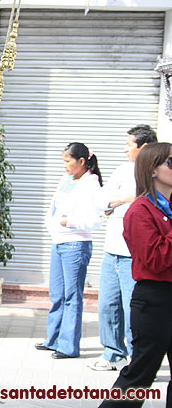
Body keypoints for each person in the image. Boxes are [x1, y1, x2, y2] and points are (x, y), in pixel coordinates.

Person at [99, 142, 172, 407]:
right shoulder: (140, 210)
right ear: (152, 170)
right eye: (171, 163)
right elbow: (155, 259)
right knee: (140, 375)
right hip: (154, 299)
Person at [90, 125, 157, 371]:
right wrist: (121, 199)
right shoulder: (123, 170)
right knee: (108, 304)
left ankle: (136, 357)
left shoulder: (157, 173)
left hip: (135, 255)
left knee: (134, 308)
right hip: (112, 249)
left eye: (129, 144)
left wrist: (123, 201)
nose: (125, 148)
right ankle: (112, 352)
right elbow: (101, 201)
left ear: (144, 147)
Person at [36, 142, 103, 359]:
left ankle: (68, 346)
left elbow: (95, 220)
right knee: (57, 294)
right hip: (59, 242)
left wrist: (68, 222)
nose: (64, 165)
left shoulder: (91, 184)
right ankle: (53, 339)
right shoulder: (66, 179)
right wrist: (52, 223)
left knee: (72, 296)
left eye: (68, 161)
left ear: (81, 162)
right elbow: (54, 208)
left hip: (76, 244)